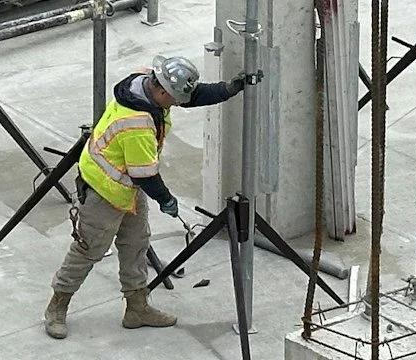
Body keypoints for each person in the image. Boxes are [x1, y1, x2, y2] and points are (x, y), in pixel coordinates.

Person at [45, 54, 260, 338]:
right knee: (89, 250)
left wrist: (227, 90)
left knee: (136, 244)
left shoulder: (144, 80)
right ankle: (57, 306)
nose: (177, 104)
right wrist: (166, 200)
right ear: (160, 91)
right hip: (103, 192)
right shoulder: (136, 125)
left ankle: (137, 308)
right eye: (173, 99)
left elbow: (189, 97)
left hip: (127, 189)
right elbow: (144, 174)